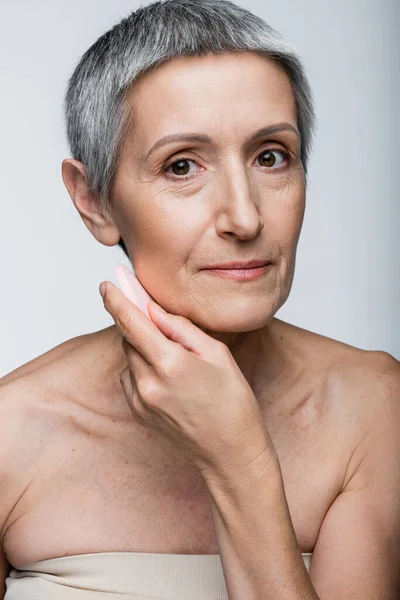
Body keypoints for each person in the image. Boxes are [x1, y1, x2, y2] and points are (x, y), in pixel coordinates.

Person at [1, 0, 399, 598]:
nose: (244, 217)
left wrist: (236, 457)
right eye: (182, 166)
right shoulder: (10, 432)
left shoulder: (371, 408)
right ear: (94, 200)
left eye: (271, 157)